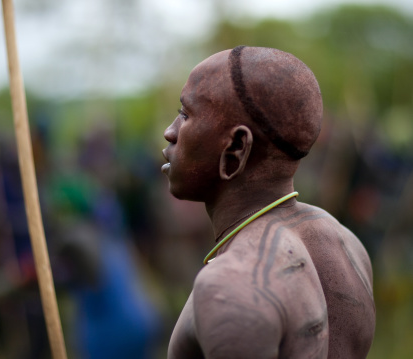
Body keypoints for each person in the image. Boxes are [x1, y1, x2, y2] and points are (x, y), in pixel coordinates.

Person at [161, 46, 375, 359]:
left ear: (236, 148)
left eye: (185, 114)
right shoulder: (346, 244)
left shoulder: (230, 289)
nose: (170, 132)